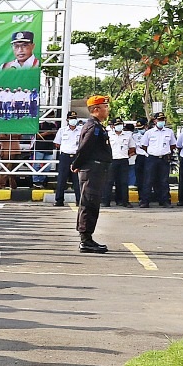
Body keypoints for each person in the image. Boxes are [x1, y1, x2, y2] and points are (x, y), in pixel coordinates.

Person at [71, 96, 113, 253]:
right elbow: (85, 148)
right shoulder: (93, 127)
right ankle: (86, 240)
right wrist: (76, 164)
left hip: (97, 170)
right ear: (96, 109)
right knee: (89, 204)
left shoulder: (98, 126)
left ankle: (88, 238)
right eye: (105, 107)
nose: (107, 110)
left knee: (92, 203)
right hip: (92, 170)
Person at [141, 113, 176, 207]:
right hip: (152, 158)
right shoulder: (149, 132)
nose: (161, 121)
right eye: (159, 119)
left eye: (163, 119)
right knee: (148, 180)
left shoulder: (169, 132)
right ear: (155, 121)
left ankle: (165, 201)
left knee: (164, 181)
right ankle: (145, 201)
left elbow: (173, 145)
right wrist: (152, 152)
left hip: (164, 158)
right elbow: (144, 145)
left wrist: (166, 152)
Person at [53, 114, 81, 206]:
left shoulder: (81, 130)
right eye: (71, 119)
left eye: (75, 119)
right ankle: (59, 200)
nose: (73, 121)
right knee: (62, 179)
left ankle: (79, 200)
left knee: (77, 179)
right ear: (67, 120)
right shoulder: (62, 131)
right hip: (65, 156)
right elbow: (57, 143)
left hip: (77, 156)